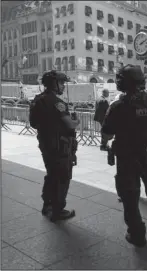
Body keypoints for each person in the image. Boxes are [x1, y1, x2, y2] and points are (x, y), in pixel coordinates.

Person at [101, 64, 147, 247]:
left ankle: (137, 234)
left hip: (126, 157)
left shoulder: (117, 106)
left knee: (130, 196)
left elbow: (107, 133)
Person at [29, 70, 80, 222]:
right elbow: (70, 124)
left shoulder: (37, 100)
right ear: (54, 84)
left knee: (51, 174)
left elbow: (33, 123)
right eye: (61, 83)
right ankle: (58, 210)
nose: (63, 86)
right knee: (62, 177)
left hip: (46, 145)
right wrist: (76, 121)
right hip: (60, 146)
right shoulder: (57, 103)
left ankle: (47, 205)